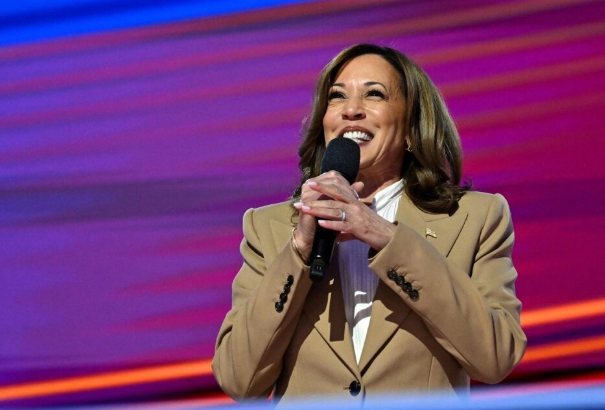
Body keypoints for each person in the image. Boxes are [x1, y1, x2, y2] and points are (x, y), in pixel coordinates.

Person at [212, 43, 526, 404]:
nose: (351, 111)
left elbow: (496, 357)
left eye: (374, 94)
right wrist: (298, 250)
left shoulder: (475, 218)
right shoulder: (268, 228)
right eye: (336, 97)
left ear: (411, 127)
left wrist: (387, 238)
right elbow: (239, 380)